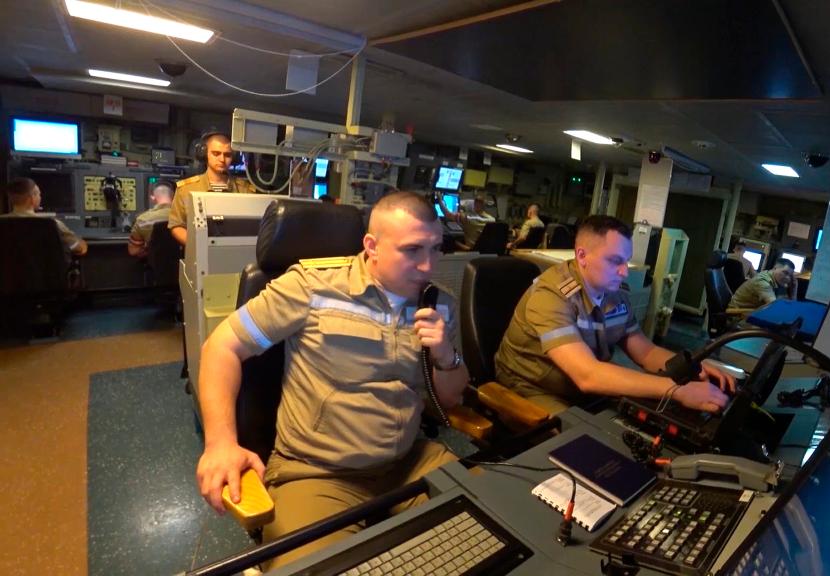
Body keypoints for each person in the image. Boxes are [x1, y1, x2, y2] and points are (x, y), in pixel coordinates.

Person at [194, 191, 467, 569]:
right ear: (371, 246)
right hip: (318, 472)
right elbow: (222, 348)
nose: (427, 266)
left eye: (436, 249)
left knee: (494, 524)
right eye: (412, 250)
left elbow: (450, 400)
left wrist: (445, 357)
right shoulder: (313, 286)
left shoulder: (439, 303)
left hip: (408, 462)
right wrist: (221, 443)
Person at [494, 215, 735, 415]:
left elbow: (646, 352)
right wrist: (678, 390)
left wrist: (692, 366)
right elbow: (587, 375)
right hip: (530, 386)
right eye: (615, 261)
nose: (623, 272)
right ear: (582, 256)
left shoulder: (614, 294)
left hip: (576, 387)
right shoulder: (551, 296)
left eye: (626, 261)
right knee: (581, 442)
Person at [168, 132, 256, 246]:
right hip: (199, 255)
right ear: (205, 154)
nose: (222, 159)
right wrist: (198, 247)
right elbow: (176, 225)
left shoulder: (245, 190)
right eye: (216, 153)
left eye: (227, 155)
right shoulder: (186, 189)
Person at [1, 177, 87, 257]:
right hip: (48, 273)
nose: (40, 197)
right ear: (32, 198)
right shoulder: (52, 224)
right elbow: (79, 248)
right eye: (39, 194)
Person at [126, 180, 173, 257]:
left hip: (155, 266)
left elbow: (133, 251)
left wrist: (149, 249)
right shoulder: (185, 216)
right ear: (173, 196)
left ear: (152, 197)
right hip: (184, 265)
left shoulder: (142, 220)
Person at [728, 258, 797, 309]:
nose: (788, 278)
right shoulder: (763, 282)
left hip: (747, 313)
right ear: (775, 268)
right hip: (737, 317)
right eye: (785, 272)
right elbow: (775, 308)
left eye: (790, 275)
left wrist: (794, 288)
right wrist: (793, 292)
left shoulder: (769, 275)